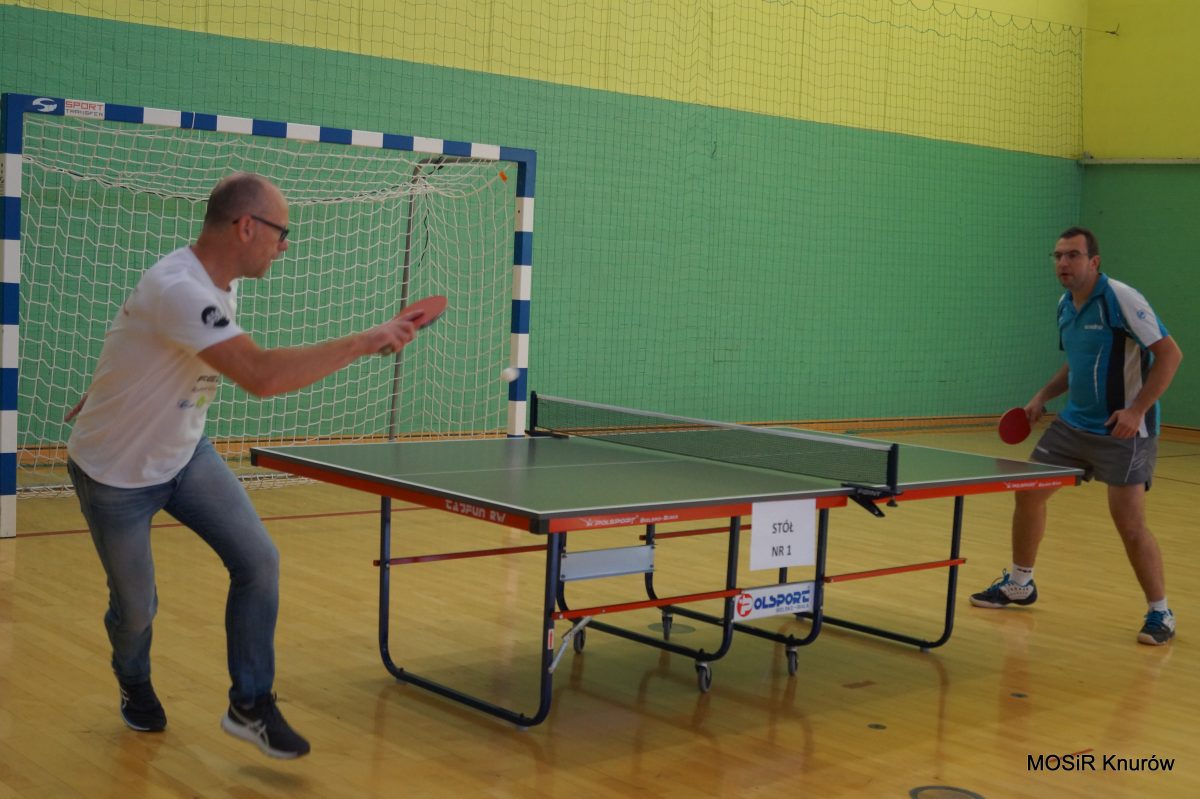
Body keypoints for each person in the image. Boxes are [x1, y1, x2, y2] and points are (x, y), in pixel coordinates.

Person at [66, 172, 423, 758]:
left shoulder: (216, 285)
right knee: (136, 611)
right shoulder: (180, 288)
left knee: (258, 562)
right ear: (246, 226)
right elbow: (260, 376)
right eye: (281, 234)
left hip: (186, 455)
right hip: (115, 476)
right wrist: (364, 341)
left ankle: (250, 705)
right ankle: (133, 680)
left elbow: (140, 342)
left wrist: (109, 389)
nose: (285, 247)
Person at [970, 226, 1183, 646]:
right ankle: (1020, 583)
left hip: (1123, 430)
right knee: (1029, 493)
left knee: (1130, 524)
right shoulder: (1065, 305)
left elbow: (1170, 355)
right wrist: (1041, 397)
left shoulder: (1120, 298)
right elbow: (1077, 363)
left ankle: (1161, 611)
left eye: (1072, 255)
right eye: (1058, 256)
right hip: (1072, 426)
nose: (1063, 263)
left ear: (1093, 261)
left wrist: (1136, 410)